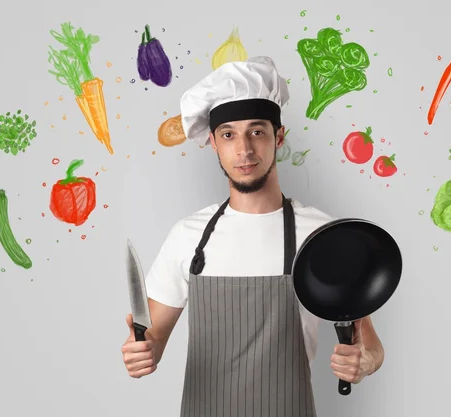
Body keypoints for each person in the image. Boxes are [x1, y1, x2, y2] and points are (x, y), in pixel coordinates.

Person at [121, 56, 385, 416]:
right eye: (229, 134)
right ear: (213, 143)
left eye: (256, 131)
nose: (244, 150)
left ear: (278, 136)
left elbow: (367, 342)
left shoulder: (322, 234)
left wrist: (363, 361)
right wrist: (142, 353)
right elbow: (152, 339)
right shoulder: (188, 237)